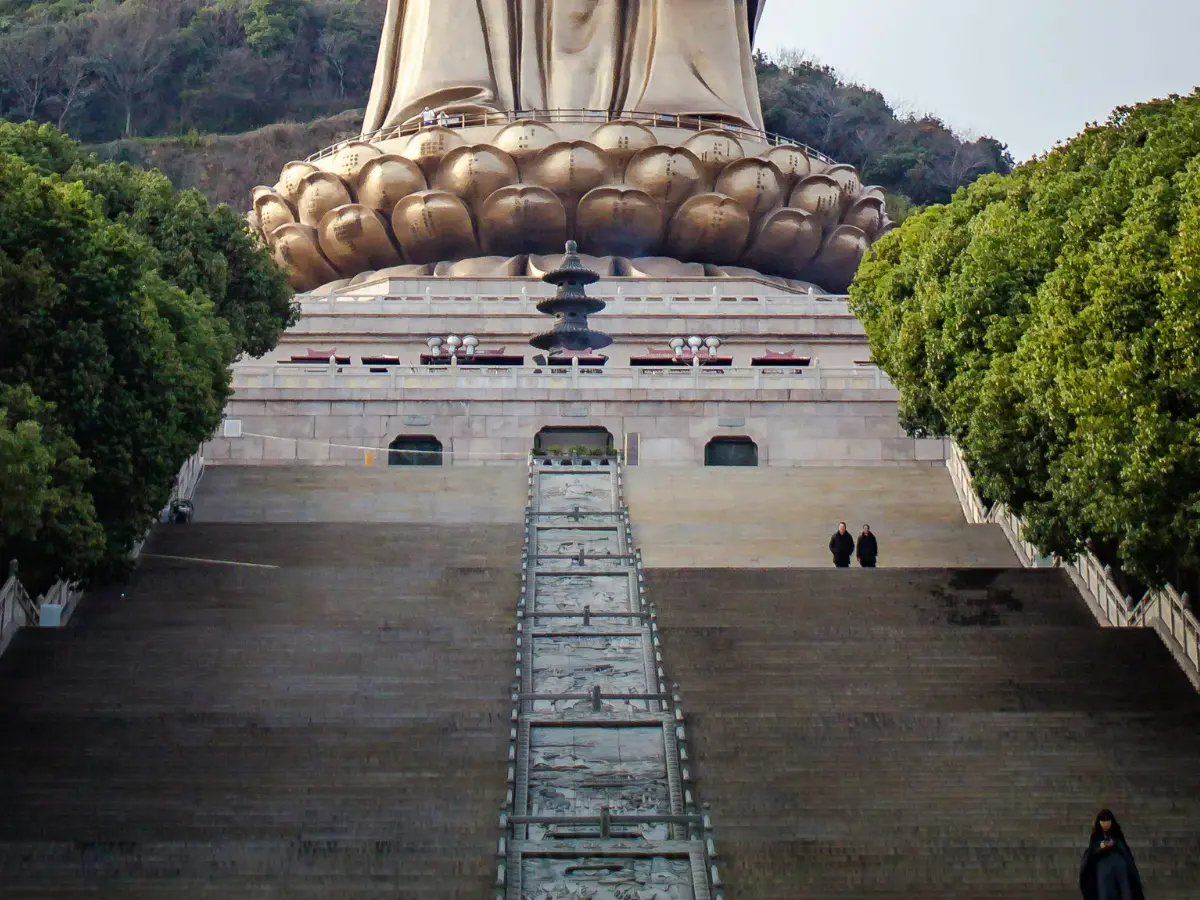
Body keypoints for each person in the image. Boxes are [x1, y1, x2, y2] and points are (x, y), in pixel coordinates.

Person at [1079, 809, 1145, 900]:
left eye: (1107, 821)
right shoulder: (1096, 839)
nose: (1105, 823)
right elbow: (1090, 855)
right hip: (1104, 870)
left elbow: (1126, 855)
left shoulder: (1118, 839)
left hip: (1118, 866)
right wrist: (1100, 847)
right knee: (1105, 892)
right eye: (1103, 821)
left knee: (1124, 890)